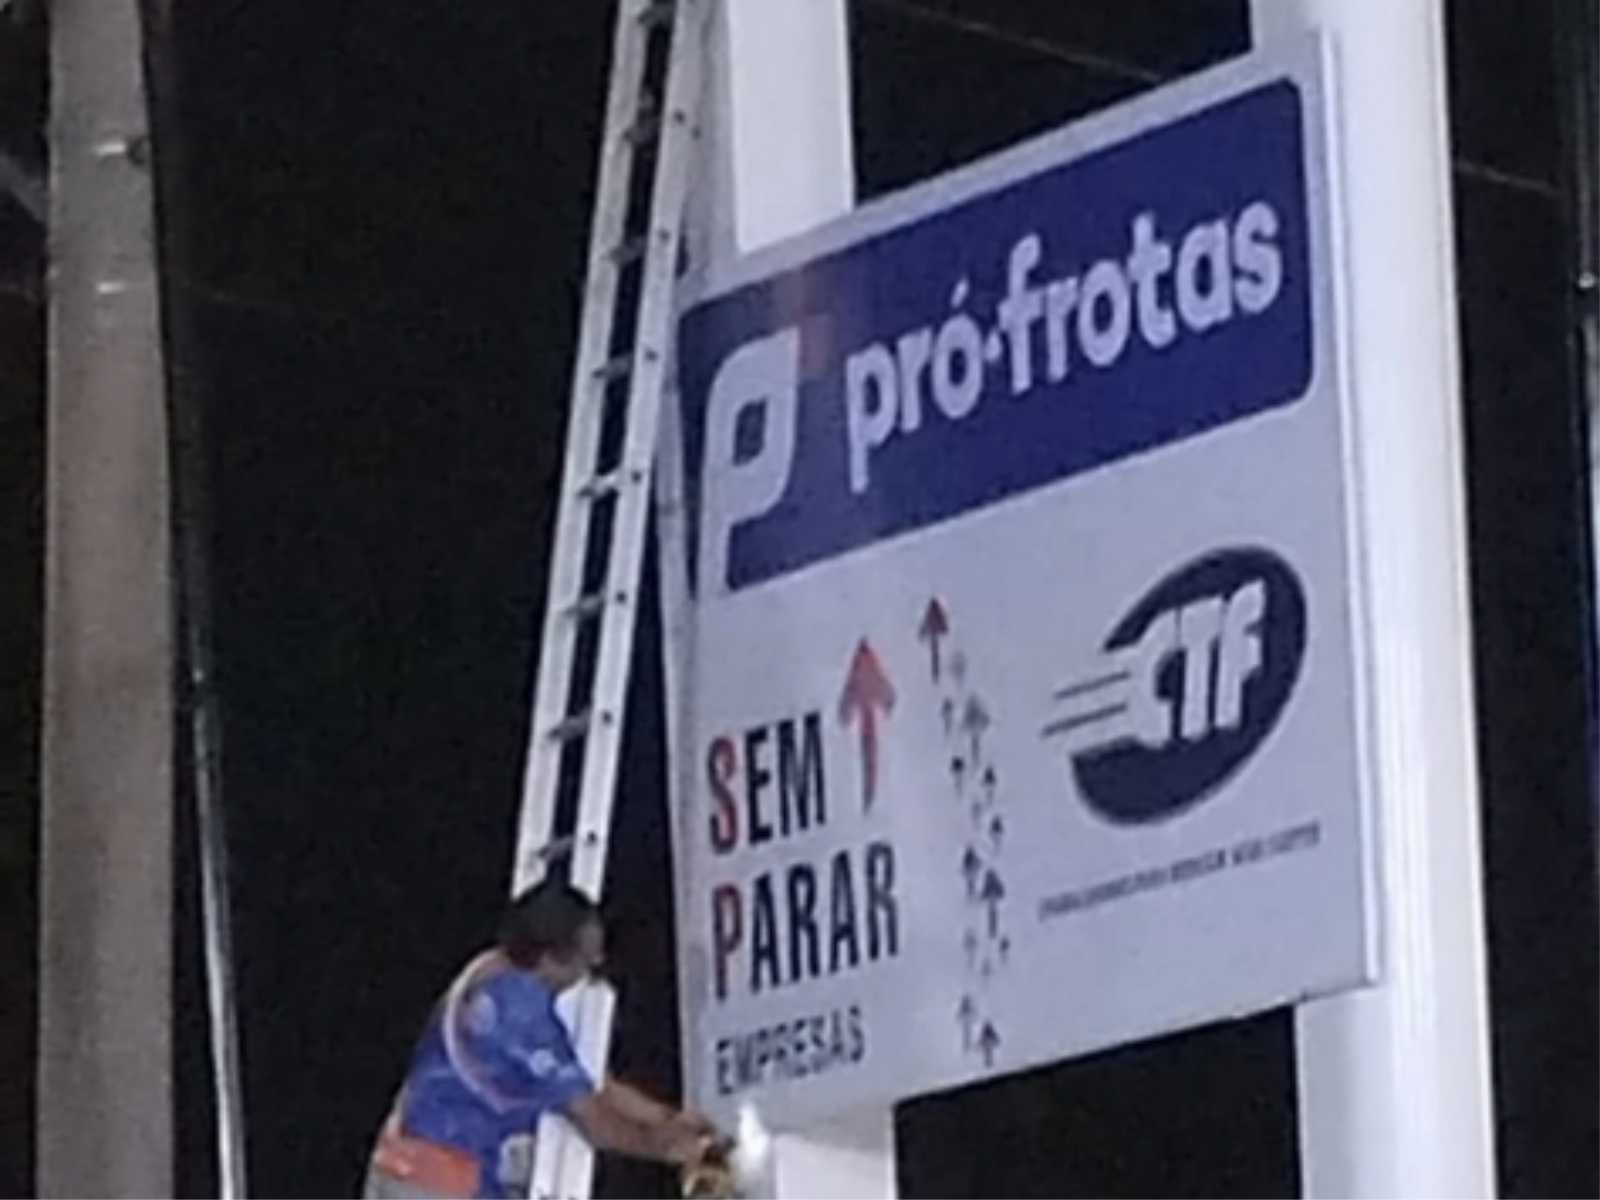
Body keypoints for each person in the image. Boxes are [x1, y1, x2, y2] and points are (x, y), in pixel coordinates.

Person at [363, 880, 718, 1199]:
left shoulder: (488, 970)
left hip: (405, 1163)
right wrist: (665, 1147)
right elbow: (595, 1123)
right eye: (586, 962)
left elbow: (591, 1084)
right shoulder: (520, 1013)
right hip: (439, 1182)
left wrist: (665, 1116)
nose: (592, 968)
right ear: (550, 959)